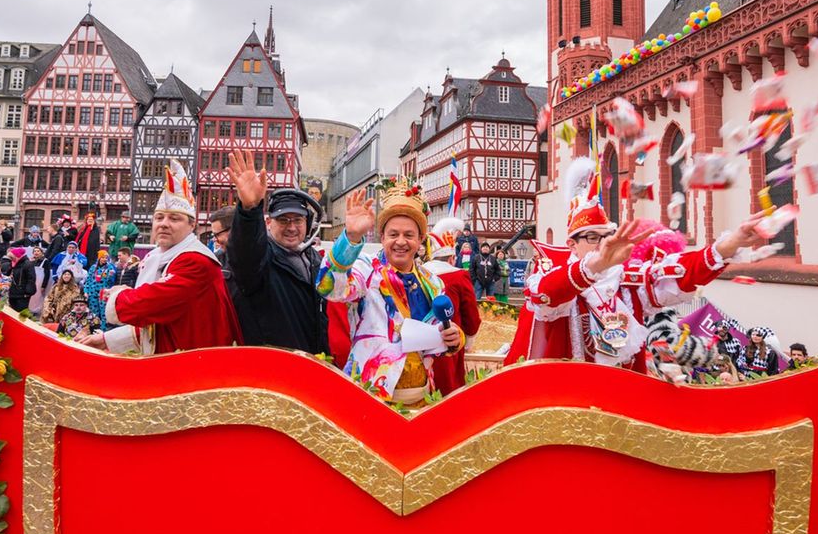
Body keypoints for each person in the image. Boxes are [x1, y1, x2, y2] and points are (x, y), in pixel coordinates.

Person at [504, 158, 768, 373]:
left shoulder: (627, 280)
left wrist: (730, 244)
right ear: (571, 244)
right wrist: (594, 266)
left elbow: (680, 275)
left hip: (624, 404)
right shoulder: (551, 273)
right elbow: (546, 295)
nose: (601, 244)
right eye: (592, 237)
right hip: (566, 403)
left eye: (606, 236)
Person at [319, 184, 462, 402]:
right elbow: (329, 287)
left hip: (422, 398)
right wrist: (351, 238)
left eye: (409, 235)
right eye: (393, 234)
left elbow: (435, 335)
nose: (401, 242)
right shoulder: (367, 270)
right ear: (382, 237)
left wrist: (453, 338)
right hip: (372, 397)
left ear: (421, 239)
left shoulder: (433, 283)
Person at [81, 163, 241, 354]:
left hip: (195, 370)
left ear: (192, 226)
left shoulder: (195, 261)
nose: (164, 224)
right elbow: (159, 326)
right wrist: (106, 340)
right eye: (159, 218)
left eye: (174, 219)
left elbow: (151, 304)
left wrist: (119, 295)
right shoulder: (161, 257)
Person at [222, 150, 330, 355]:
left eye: (297, 220)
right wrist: (250, 210)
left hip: (312, 364)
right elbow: (245, 254)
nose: (291, 227)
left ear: (307, 223)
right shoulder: (262, 257)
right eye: (283, 220)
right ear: (269, 222)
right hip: (273, 370)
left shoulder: (313, 259)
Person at [421, 217, 482, 396]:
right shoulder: (458, 276)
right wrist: (469, 340)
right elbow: (471, 316)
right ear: (452, 257)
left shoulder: (418, 272)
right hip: (449, 345)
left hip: (419, 346)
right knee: (448, 391)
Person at [82, 250, 116, 322]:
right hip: (92, 293)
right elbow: (88, 281)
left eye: (106, 258)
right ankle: (95, 329)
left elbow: (112, 282)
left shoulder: (110, 268)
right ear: (99, 258)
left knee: (104, 313)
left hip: (103, 294)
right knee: (94, 314)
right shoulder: (93, 268)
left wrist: (110, 276)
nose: (105, 259)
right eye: (103, 257)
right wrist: (86, 292)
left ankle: (104, 330)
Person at [5, 246, 35, 312]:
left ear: (16, 256)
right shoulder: (14, 264)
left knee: (21, 312)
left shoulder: (27, 264)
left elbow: (31, 279)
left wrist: (28, 292)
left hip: (22, 294)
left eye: (11, 257)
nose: (11, 259)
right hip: (13, 292)